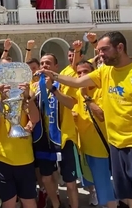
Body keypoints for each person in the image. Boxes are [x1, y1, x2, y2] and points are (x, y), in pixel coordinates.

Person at [39, 31, 132, 208]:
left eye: (104, 49)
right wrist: (52, 75)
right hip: (115, 146)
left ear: (120, 47)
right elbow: (78, 83)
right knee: (126, 193)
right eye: (99, 50)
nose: (100, 54)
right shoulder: (105, 71)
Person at [0, 82, 40, 208]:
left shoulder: (23, 95)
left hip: (25, 159)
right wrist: (0, 99)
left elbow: (35, 119)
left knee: (29, 201)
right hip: (1, 159)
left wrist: (28, 97)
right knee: (9, 203)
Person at [32, 54, 79, 208]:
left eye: (48, 63)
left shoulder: (63, 84)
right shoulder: (34, 86)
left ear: (56, 67)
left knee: (70, 182)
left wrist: (52, 89)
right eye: (42, 63)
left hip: (63, 138)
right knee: (46, 178)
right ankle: (56, 204)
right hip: (43, 139)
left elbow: (71, 104)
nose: (44, 66)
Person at [72, 60, 117, 208]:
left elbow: (101, 115)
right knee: (96, 184)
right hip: (86, 147)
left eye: (85, 72)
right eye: (79, 73)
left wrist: (87, 97)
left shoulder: (101, 89)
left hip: (101, 149)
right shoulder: (79, 92)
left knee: (105, 186)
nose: (82, 75)